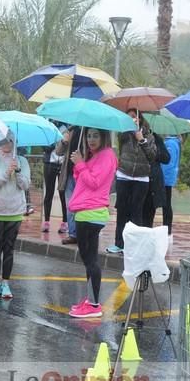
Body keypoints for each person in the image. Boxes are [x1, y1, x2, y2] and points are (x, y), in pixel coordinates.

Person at [67, 128, 117, 318]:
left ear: (104, 136)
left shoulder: (107, 155)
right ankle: (91, 299)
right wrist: (79, 164)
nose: (91, 139)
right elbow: (83, 181)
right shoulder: (95, 156)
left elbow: (95, 182)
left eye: (96, 135)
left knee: (90, 261)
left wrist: (80, 165)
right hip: (85, 212)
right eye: (88, 136)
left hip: (91, 213)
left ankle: (94, 304)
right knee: (89, 259)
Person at [0, 139, 30, 299]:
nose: (7, 144)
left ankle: (6, 283)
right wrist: (5, 174)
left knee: (9, 249)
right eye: (3, 140)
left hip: (15, 211)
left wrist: (17, 172)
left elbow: (25, 185)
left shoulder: (22, 161)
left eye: (10, 141)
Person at [106, 110, 156, 254]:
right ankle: (119, 243)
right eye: (129, 116)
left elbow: (152, 156)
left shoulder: (149, 135)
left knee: (136, 212)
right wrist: (130, 129)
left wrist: (142, 140)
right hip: (124, 175)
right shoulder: (124, 134)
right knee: (122, 210)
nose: (132, 119)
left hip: (141, 178)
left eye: (134, 116)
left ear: (140, 118)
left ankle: (134, 245)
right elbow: (121, 141)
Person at [55, 126, 82, 245]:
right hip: (69, 174)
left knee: (82, 206)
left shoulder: (89, 131)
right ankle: (73, 234)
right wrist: (64, 141)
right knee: (70, 205)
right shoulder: (70, 130)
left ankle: (82, 234)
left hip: (83, 174)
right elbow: (58, 152)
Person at [141, 130, 170, 228]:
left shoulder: (155, 138)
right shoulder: (128, 135)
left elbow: (166, 158)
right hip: (135, 182)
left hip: (152, 184)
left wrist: (153, 152)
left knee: (147, 221)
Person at [42, 141, 67, 233]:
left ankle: (65, 222)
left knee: (63, 194)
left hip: (63, 164)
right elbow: (45, 148)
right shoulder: (49, 129)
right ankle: (46, 222)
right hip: (49, 164)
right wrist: (57, 143)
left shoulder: (67, 128)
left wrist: (64, 143)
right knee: (49, 193)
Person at [160, 135, 182, 240]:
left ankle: (167, 230)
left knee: (166, 205)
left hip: (166, 178)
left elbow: (168, 163)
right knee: (166, 204)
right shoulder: (172, 142)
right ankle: (166, 229)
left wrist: (162, 178)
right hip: (168, 178)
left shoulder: (170, 143)